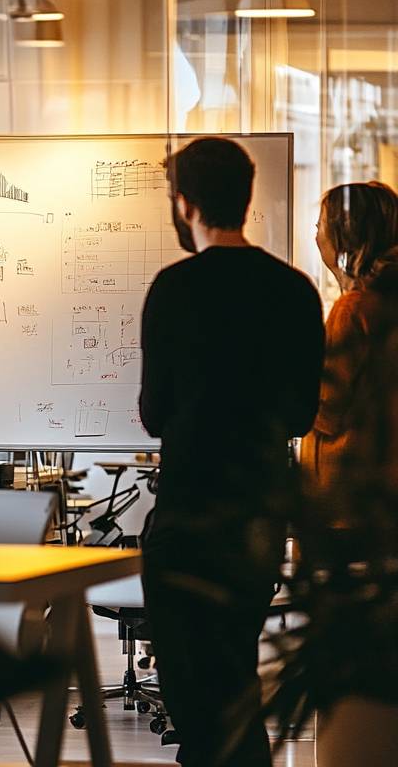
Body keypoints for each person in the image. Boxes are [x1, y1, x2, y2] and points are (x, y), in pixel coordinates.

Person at [138, 137, 325, 767]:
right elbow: (302, 413)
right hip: (258, 509)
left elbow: (154, 413)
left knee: (192, 688)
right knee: (233, 672)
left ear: (185, 203)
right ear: (246, 199)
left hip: (189, 505)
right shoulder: (295, 290)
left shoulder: (173, 288)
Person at [302, 181, 398, 505]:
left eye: (321, 224)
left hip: (344, 493)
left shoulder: (352, 310)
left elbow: (325, 410)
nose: (316, 234)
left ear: (345, 235)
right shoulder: (384, 301)